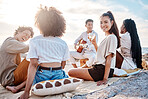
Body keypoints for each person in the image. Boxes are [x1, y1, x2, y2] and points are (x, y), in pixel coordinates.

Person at [18, 6, 69, 99]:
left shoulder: (35, 41)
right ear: (60, 25)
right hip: (58, 74)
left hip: (43, 75)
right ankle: (57, 83)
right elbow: (63, 64)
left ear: (40, 24)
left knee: (34, 74)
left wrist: (26, 92)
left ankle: (21, 87)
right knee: (65, 75)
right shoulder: (63, 43)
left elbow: (33, 65)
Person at [68, 11, 120, 86]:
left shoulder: (112, 37)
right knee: (76, 70)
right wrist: (95, 44)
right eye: (101, 23)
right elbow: (100, 54)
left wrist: (105, 79)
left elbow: (109, 59)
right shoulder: (108, 37)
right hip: (99, 68)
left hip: (101, 71)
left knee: (70, 72)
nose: (103, 25)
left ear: (111, 23)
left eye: (106, 22)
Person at [0, 26, 34, 91]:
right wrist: (41, 43)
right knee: (34, 58)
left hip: (10, 78)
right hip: (9, 78)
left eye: (28, 37)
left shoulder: (15, 47)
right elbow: (27, 48)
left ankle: (18, 87)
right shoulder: (10, 41)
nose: (26, 37)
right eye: (25, 34)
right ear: (19, 32)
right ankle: (17, 87)